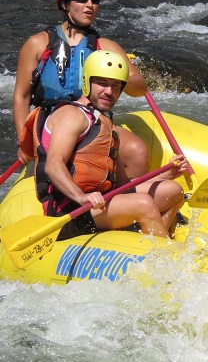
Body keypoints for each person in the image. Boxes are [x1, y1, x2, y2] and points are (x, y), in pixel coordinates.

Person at [19, 50, 188, 240]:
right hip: (68, 209)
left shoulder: (104, 123)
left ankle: (147, 245)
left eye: (116, 86)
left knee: (172, 191)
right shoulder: (71, 115)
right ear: (86, 82)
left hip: (99, 202)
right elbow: (53, 165)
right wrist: (81, 197)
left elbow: (121, 185)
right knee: (144, 203)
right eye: (102, 83)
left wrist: (165, 175)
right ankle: (163, 257)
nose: (109, 92)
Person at [13, 0, 149, 180]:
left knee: (137, 151)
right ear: (64, 4)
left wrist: (120, 71)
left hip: (92, 120)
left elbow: (140, 89)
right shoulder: (38, 44)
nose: (90, 5)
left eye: (95, 0)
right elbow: (22, 96)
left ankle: (122, 201)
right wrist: (24, 141)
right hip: (50, 121)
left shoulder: (106, 47)